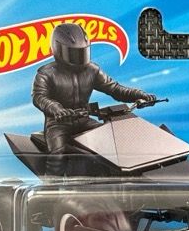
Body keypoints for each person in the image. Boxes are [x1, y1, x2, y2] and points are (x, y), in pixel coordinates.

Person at [32, 23, 156, 176]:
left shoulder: (92, 70)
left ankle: (114, 179)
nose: (79, 57)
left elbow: (115, 89)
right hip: (58, 124)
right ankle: (50, 184)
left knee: (112, 141)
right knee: (57, 154)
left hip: (84, 120)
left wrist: (139, 94)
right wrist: (57, 109)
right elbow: (39, 97)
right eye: (73, 53)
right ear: (58, 49)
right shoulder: (46, 74)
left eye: (82, 52)